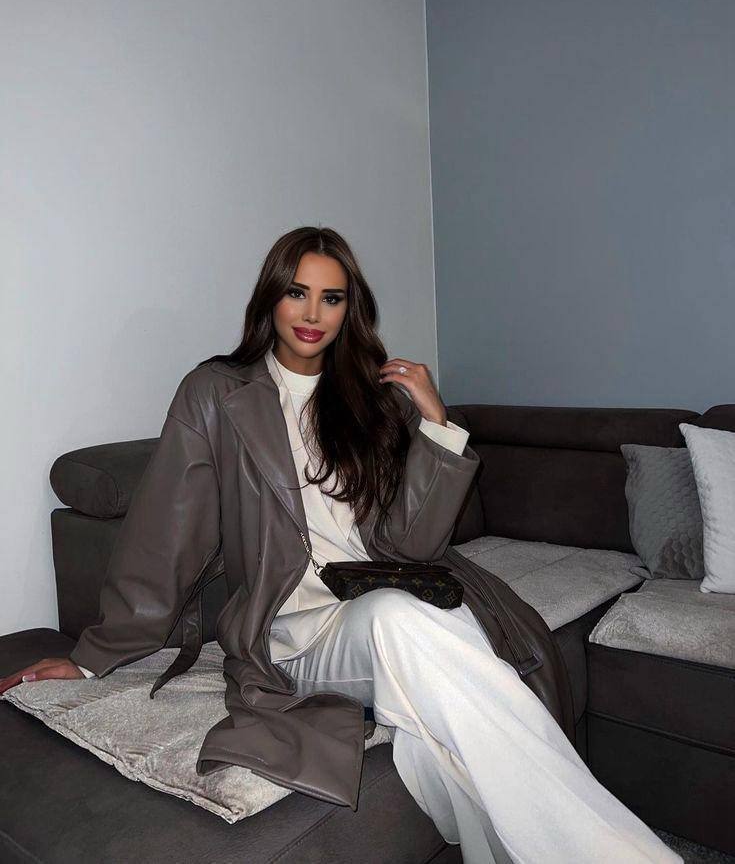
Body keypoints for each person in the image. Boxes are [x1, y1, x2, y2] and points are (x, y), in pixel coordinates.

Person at [1, 227, 681, 864]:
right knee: (415, 631)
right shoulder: (214, 392)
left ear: (349, 309)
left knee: (430, 680)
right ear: (270, 297)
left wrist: (436, 424)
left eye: (331, 297)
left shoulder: (370, 400)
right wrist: (91, 658)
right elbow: (164, 537)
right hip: (291, 632)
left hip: (378, 605)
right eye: (297, 291)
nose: (312, 313)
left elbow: (412, 544)